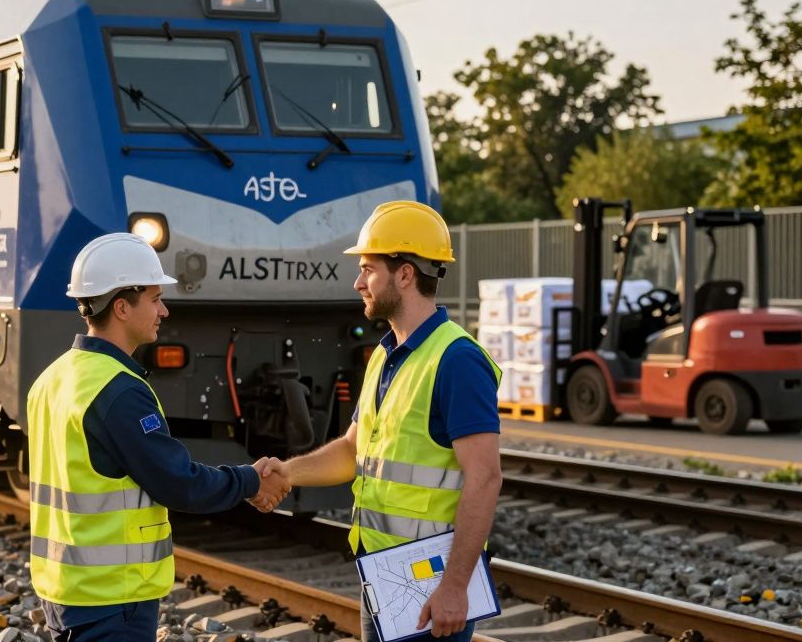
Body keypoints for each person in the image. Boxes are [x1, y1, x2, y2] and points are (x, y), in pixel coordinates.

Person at [254, 201, 502, 642]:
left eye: (368, 269)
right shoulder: (387, 355)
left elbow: (484, 478)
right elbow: (354, 449)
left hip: (431, 581)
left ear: (404, 274)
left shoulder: (457, 360)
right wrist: (286, 472)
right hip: (386, 573)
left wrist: (455, 588)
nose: (358, 282)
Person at [27, 232, 291, 641]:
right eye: (153, 298)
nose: (163, 310)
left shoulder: (53, 378)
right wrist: (251, 480)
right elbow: (178, 483)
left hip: (64, 588)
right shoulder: (118, 390)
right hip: (113, 597)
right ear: (121, 306)